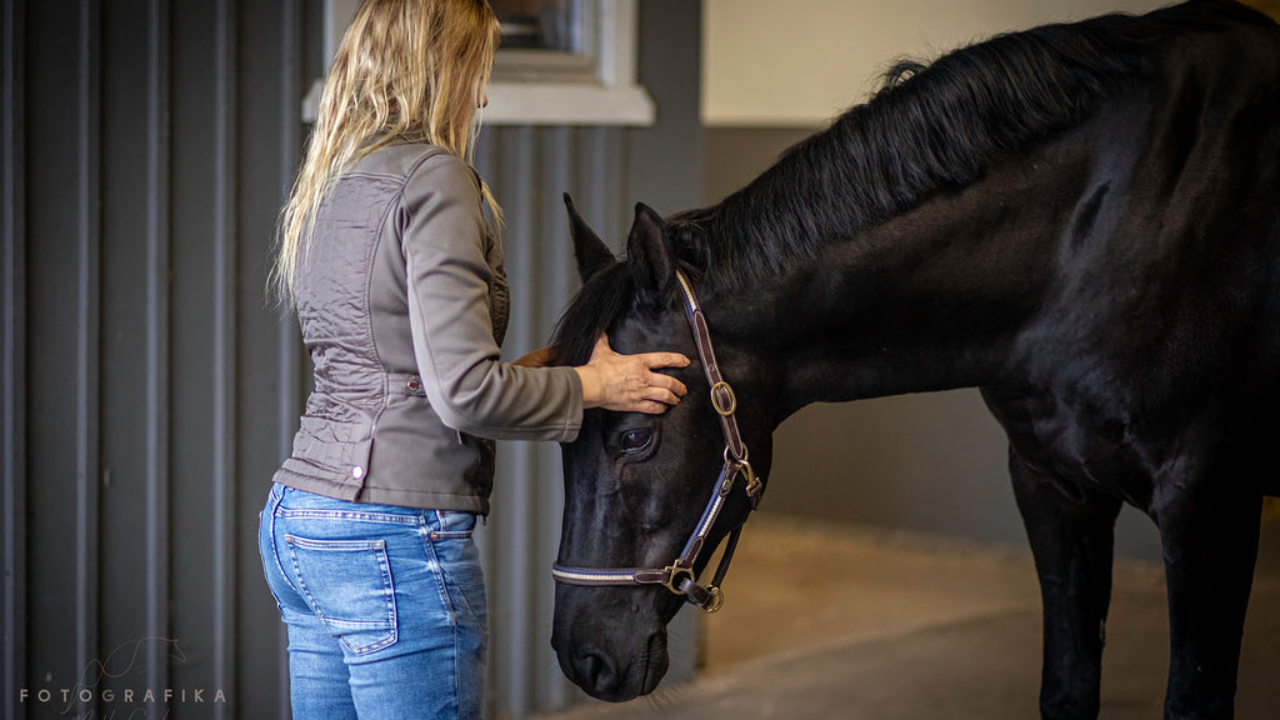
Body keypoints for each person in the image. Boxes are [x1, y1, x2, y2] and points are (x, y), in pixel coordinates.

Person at [255, 1, 690, 718]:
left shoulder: (337, 180)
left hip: (303, 521)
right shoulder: (435, 179)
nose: (482, 95)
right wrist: (594, 384)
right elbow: (461, 393)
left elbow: (400, 369)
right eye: (475, 71)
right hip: (392, 537)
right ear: (437, 69)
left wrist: (550, 367)